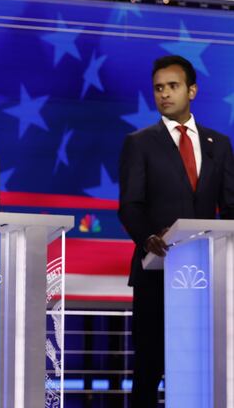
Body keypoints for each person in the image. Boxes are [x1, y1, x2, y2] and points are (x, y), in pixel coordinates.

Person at [118, 54, 234, 406]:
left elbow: (229, 206)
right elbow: (130, 206)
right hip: (157, 274)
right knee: (149, 370)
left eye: (173, 86)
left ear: (192, 90)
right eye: (158, 88)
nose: (164, 94)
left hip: (205, 277)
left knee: (202, 368)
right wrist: (148, 239)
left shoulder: (220, 144)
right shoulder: (139, 143)